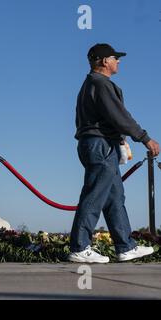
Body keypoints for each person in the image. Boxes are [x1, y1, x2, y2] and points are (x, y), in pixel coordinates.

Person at [68, 43, 160, 264]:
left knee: (114, 198)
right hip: (99, 146)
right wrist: (144, 137)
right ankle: (80, 247)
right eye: (114, 58)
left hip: (101, 145)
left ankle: (125, 247)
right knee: (94, 195)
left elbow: (109, 118)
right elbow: (119, 116)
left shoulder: (92, 84)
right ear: (103, 61)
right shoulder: (100, 84)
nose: (118, 61)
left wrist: (119, 139)